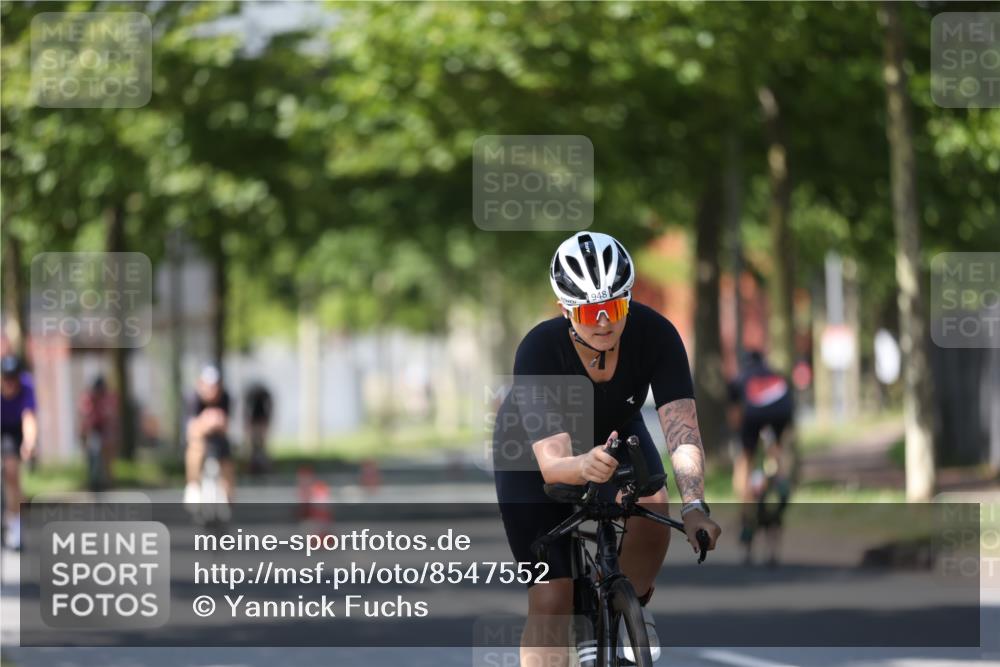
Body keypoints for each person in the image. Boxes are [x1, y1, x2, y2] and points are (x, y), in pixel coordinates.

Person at [492, 232, 721, 666]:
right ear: (565, 309)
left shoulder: (656, 334)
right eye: (587, 312)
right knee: (551, 596)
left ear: (628, 300)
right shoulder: (539, 350)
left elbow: (682, 431)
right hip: (532, 448)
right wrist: (582, 465)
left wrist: (695, 506)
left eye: (613, 308)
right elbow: (554, 463)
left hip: (613, 430)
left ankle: (626, 605)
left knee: (654, 505)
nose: (602, 322)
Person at [727, 349, 795, 563]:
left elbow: (735, 416)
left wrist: (742, 440)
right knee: (776, 450)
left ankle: (746, 507)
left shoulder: (740, 378)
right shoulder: (776, 375)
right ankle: (780, 479)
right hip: (782, 411)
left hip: (753, 415)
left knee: (745, 460)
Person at [184, 365, 236, 506]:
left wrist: (217, 422)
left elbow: (226, 425)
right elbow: (191, 428)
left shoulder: (225, 397)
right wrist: (206, 422)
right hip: (199, 436)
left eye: (215, 386)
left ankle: (228, 492)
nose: (212, 390)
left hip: (219, 435)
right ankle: (193, 485)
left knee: (227, 459)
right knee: (195, 448)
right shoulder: (193, 398)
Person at [1, 355, 37, 549]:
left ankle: (16, 523)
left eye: (13, 378)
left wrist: (29, 443)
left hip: (15, 430)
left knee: (12, 473)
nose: (10, 383)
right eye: (6, 378)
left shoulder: (26, 387)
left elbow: (28, 417)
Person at [78, 375, 117, 490]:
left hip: (104, 429)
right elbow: (85, 418)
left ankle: (107, 481)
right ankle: (93, 481)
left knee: (106, 457)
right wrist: (84, 434)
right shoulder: (88, 399)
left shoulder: (107, 399)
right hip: (93, 430)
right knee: (93, 455)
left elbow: (110, 417)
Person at [243, 382, 273, 476]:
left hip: (260, 420)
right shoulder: (253, 397)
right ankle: (253, 467)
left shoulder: (262, 397)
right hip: (255, 421)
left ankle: (263, 467)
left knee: (261, 445)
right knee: (254, 446)